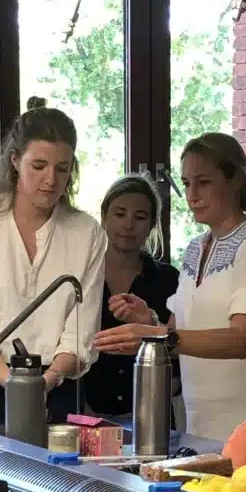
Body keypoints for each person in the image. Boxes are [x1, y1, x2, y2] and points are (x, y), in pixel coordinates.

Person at [94, 133, 246, 454]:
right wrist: (149, 321)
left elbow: (240, 339)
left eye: (203, 182)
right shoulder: (195, 250)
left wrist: (157, 336)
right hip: (204, 425)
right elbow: (178, 336)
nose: (192, 196)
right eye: (186, 184)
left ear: (235, 179)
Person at [0, 99, 107, 426]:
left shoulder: (87, 232)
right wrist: (17, 385)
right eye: (39, 166)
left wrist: (46, 381)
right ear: (15, 161)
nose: (51, 179)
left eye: (62, 168)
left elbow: (81, 332)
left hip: (56, 383)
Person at [83, 174, 179, 418]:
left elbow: (180, 356)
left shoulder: (170, 280)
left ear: (152, 225)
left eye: (140, 217)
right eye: (120, 214)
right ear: (104, 217)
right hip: (85, 414)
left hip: (153, 415)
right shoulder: (81, 275)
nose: (128, 225)